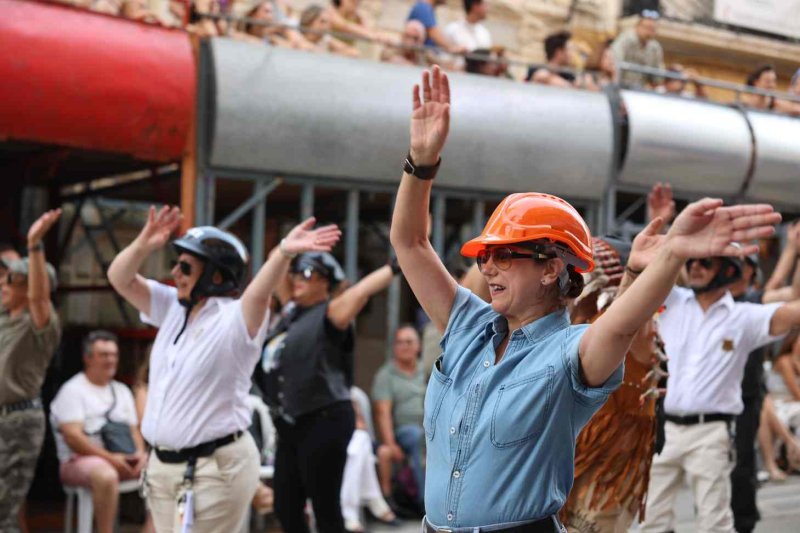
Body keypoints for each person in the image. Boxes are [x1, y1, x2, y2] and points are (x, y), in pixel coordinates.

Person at [390, 64, 780, 531]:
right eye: (484, 256)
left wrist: (672, 253)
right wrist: (421, 162)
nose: (487, 266)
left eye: (504, 254)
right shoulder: (467, 325)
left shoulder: (569, 352)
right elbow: (410, 243)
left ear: (552, 268)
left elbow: (620, 324)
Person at [107, 206, 341, 532]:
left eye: (186, 267)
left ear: (215, 276)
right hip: (163, 467)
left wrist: (283, 253)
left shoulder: (234, 320)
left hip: (214, 469)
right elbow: (119, 278)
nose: (176, 272)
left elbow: (259, 296)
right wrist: (144, 242)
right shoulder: (173, 307)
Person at [640, 245, 800, 532]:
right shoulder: (673, 301)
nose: (696, 267)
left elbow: (792, 310)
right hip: (666, 432)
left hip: (711, 434)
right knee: (651, 520)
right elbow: (645, 274)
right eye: (693, 262)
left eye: (706, 262)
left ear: (728, 270)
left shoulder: (744, 316)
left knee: (714, 523)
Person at [256, 250, 399, 533]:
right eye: (296, 273)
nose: (298, 279)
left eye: (308, 274)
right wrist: (290, 247)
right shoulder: (289, 313)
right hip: (289, 423)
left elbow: (360, 292)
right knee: (286, 506)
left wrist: (397, 264)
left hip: (324, 419)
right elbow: (276, 265)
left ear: (326, 283)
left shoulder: (330, 312)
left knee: (326, 508)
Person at [0, 209, 62, 533]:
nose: (4, 283)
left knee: (3, 514)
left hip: (16, 421)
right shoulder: (4, 317)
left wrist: (35, 245)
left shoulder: (38, 324)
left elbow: (39, 298)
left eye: (13, 279)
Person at [50, 330, 145, 533]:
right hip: (79, 461)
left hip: (122, 457)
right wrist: (111, 458)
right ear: (88, 358)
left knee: (164, 469)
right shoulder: (73, 390)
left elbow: (133, 430)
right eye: (104, 355)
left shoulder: (122, 390)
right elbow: (73, 438)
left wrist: (138, 454)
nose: (110, 360)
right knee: (106, 475)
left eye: (114, 355)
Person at [373, 325, 426, 512]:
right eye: (399, 342)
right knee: (416, 435)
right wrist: (390, 443)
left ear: (418, 346)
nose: (404, 346)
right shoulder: (386, 375)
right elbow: (383, 413)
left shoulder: (427, 370)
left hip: (429, 429)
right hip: (403, 432)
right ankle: (424, 504)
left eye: (409, 342)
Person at [340, 395, 398, 531]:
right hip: (328, 445)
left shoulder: (348, 394)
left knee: (360, 440)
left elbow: (361, 424)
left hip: (351, 439)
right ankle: (373, 498)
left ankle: (350, 510)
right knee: (361, 444)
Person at [610, 10, 664, 88]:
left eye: (652, 29)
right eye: (646, 28)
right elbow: (615, 60)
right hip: (621, 86)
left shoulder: (655, 48)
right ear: (637, 27)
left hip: (639, 91)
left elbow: (657, 75)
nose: (648, 32)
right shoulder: (625, 40)